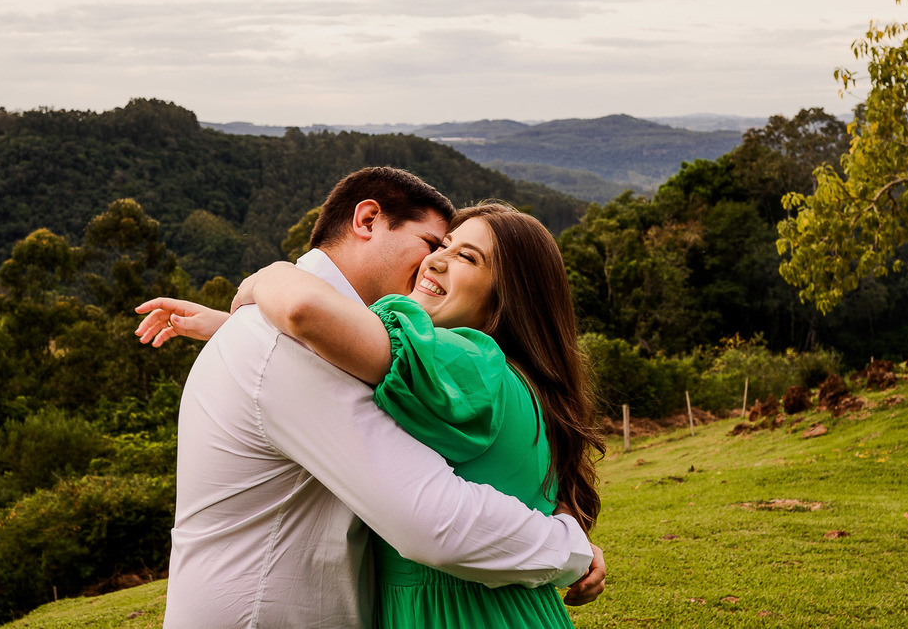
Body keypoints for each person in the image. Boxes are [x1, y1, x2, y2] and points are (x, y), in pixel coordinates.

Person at [137, 168, 603, 629]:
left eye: (464, 255)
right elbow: (300, 352)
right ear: (367, 220)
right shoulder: (291, 344)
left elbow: (306, 317)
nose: (432, 261)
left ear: (507, 295)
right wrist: (569, 545)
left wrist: (267, 278)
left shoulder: (459, 362)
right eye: (434, 244)